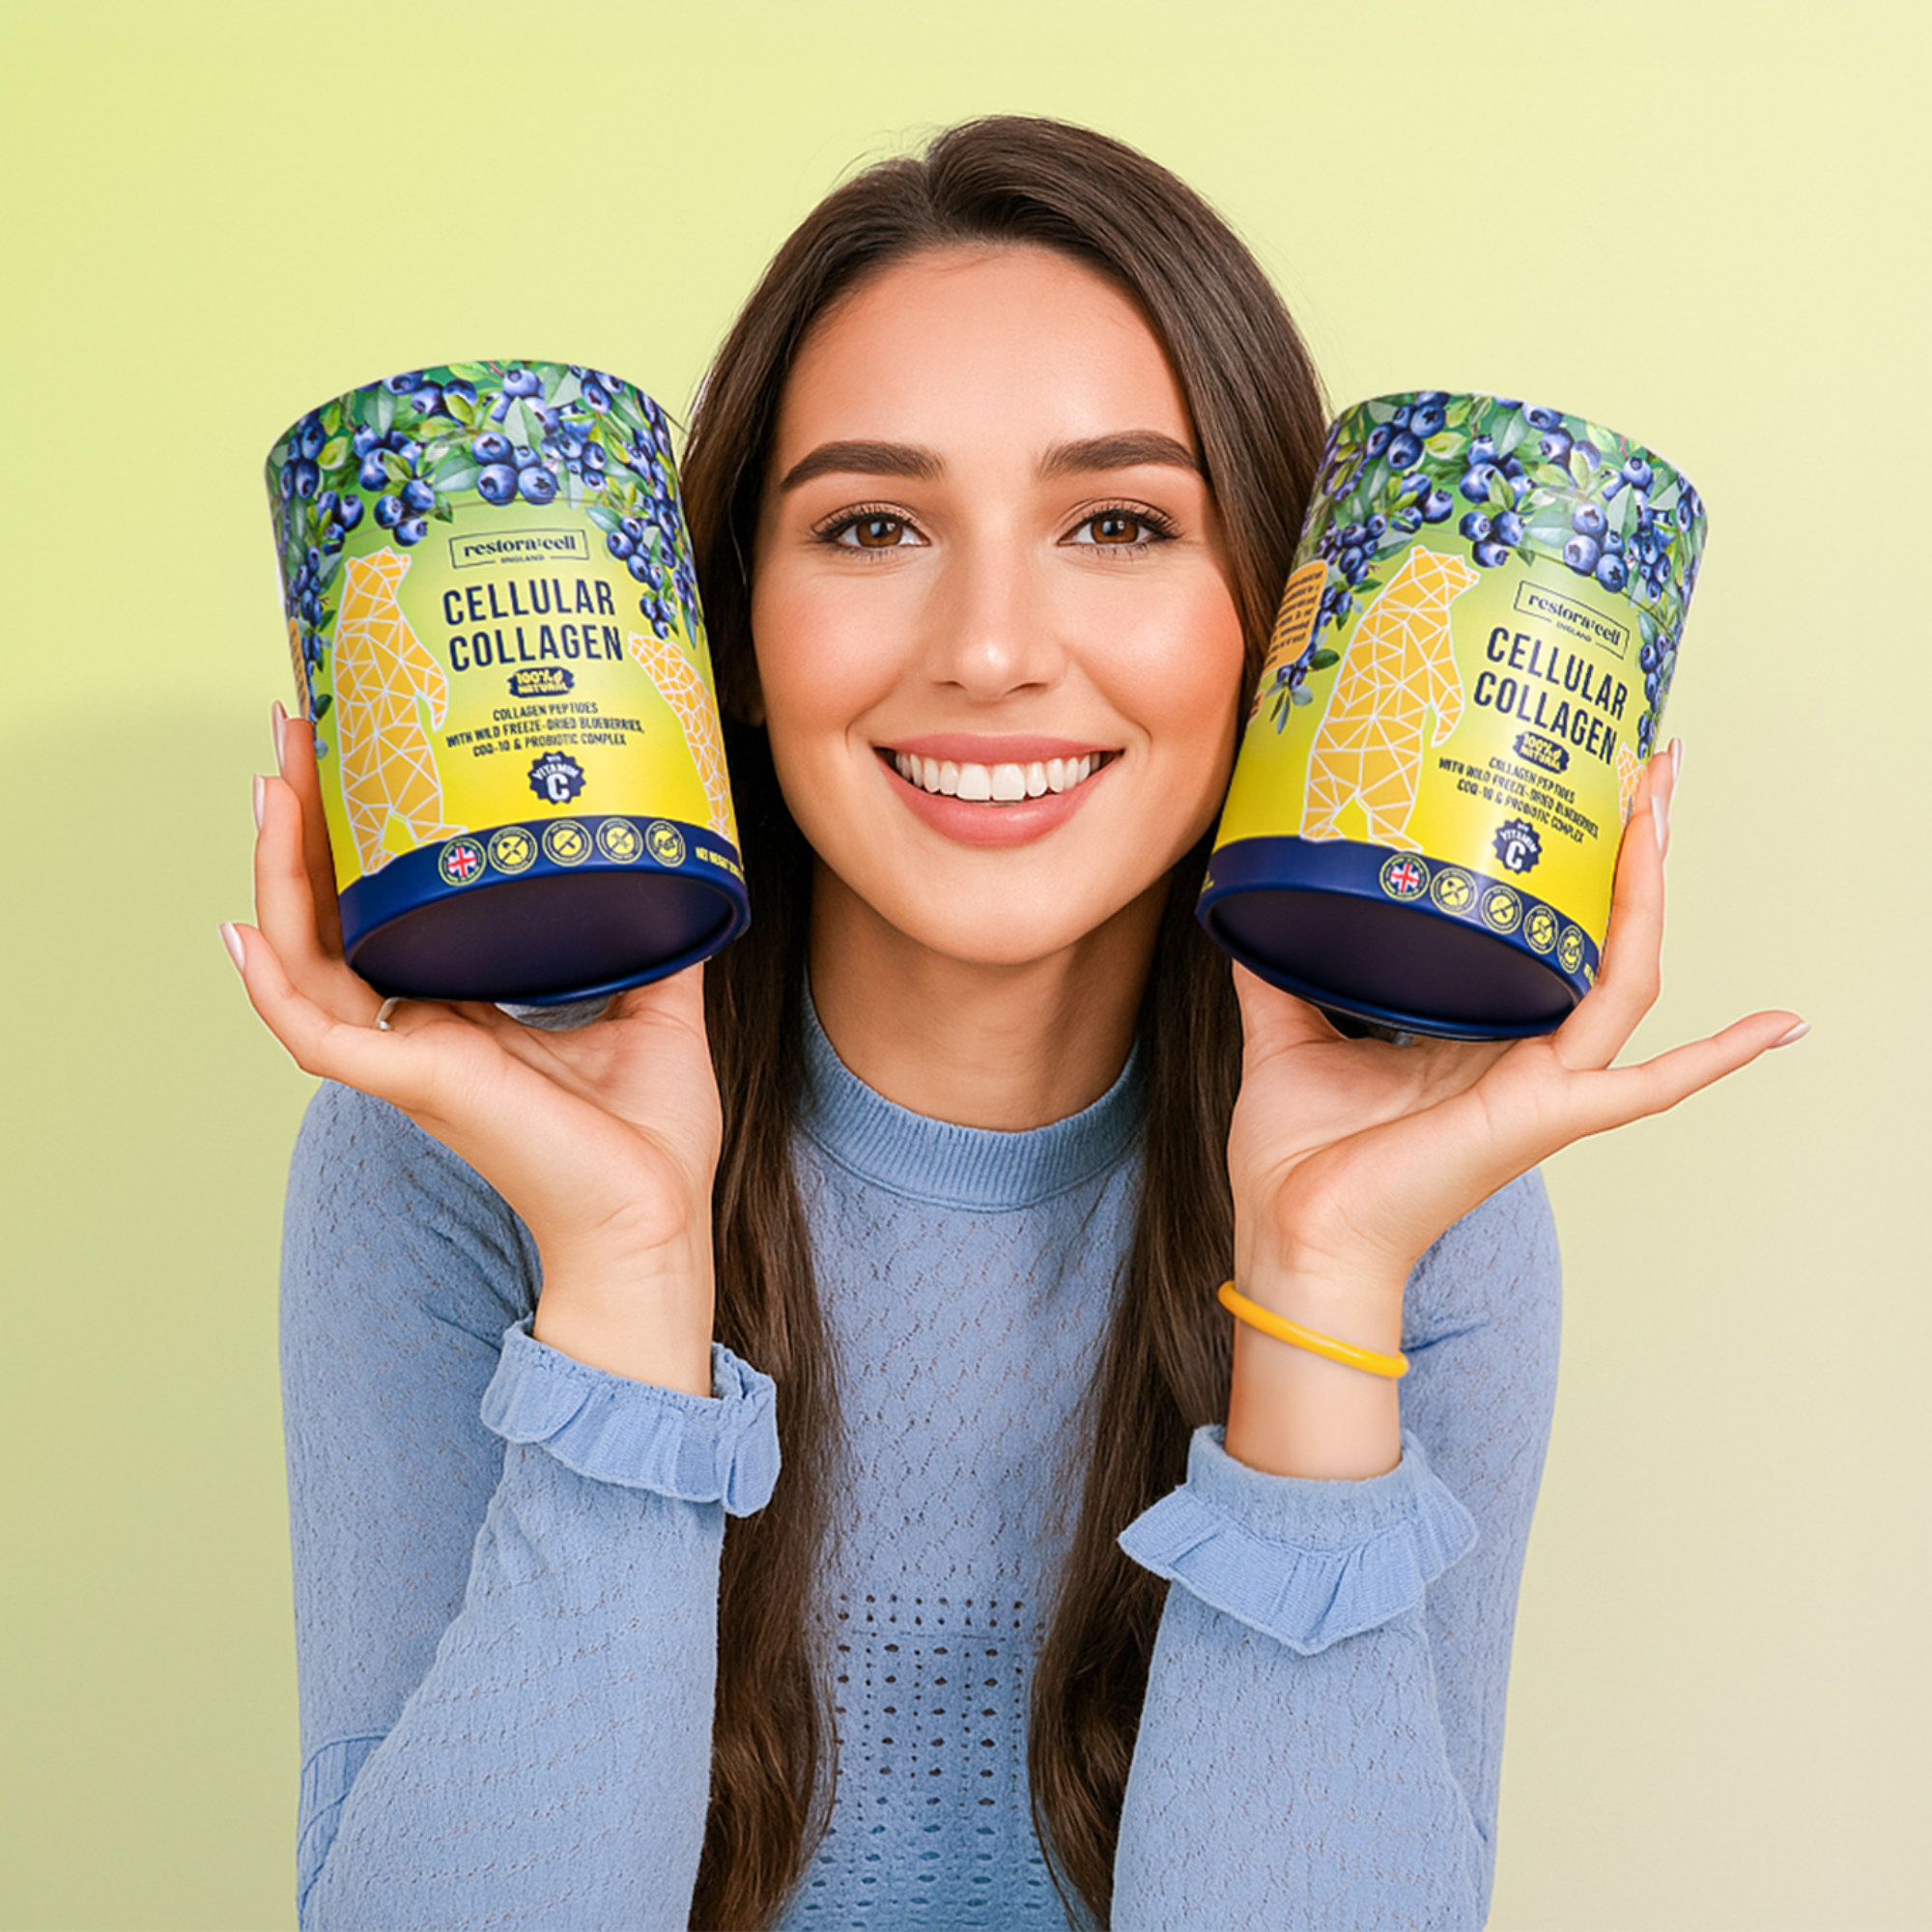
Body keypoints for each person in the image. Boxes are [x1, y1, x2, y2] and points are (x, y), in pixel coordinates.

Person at [224, 117, 1804, 1931]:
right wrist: (626, 1267)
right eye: (872, 524)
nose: (990, 646)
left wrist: (1325, 1283)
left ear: (1281, 625)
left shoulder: (1420, 1214)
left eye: (1119, 523)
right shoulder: (449, 1156)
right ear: (725, 625)